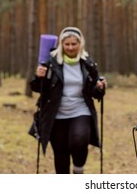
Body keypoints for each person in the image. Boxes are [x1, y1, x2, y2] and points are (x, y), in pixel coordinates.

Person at [30, 27, 107, 174]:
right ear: (61, 45)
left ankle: (78, 169)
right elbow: (37, 88)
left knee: (79, 140)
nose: (70, 47)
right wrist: (38, 76)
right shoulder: (51, 62)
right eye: (67, 44)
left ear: (80, 44)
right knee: (60, 154)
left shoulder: (87, 63)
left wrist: (100, 87)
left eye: (74, 44)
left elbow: (95, 92)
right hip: (56, 114)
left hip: (81, 110)